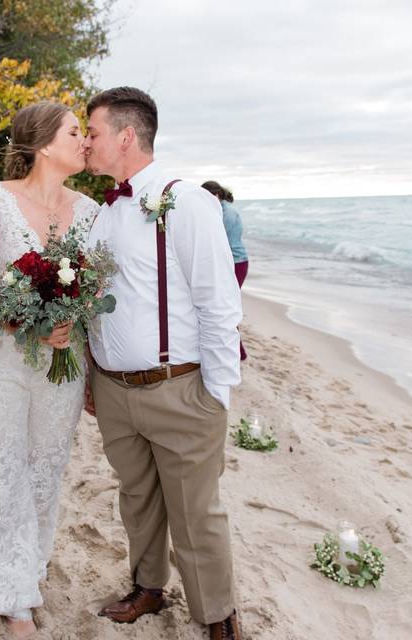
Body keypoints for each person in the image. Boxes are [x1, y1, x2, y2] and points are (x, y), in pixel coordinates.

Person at [82, 87, 244, 640]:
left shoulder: (186, 201)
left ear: (126, 136)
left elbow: (218, 301)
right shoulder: (105, 212)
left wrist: (217, 391)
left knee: (197, 515)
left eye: (93, 132)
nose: (86, 143)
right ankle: (148, 587)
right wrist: (90, 371)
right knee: (137, 500)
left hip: (180, 391)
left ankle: (218, 615)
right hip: (113, 390)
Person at [0, 101, 98, 638]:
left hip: (61, 363)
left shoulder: (88, 211)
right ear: (43, 145)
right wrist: (23, 325)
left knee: (45, 470)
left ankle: (27, 570)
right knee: (5, 470)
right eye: (74, 132)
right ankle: (14, 602)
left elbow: (95, 291)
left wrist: (75, 324)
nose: (84, 140)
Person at [202, 180, 248, 360]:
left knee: (227, 307)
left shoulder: (226, 213)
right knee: (223, 305)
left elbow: (217, 240)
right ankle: (238, 351)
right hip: (230, 261)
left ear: (216, 196)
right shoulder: (220, 210)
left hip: (236, 263)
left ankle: (239, 353)